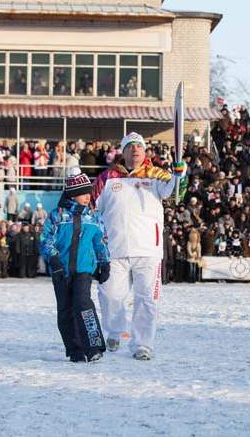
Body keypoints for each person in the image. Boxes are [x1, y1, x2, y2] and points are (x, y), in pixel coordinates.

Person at [91, 132, 186, 361]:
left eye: (139, 147)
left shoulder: (157, 175)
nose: (135, 150)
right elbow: (93, 209)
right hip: (114, 249)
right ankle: (114, 331)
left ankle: (142, 344)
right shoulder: (106, 178)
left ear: (145, 152)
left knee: (147, 299)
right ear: (122, 152)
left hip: (148, 250)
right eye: (130, 146)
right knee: (110, 295)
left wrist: (180, 175)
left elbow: (176, 193)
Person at [41, 173, 110, 362]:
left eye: (89, 193)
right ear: (72, 195)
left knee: (83, 303)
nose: (88, 196)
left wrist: (104, 263)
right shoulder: (57, 216)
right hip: (61, 271)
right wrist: (53, 260)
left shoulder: (93, 217)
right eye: (83, 193)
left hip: (83, 270)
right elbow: (46, 240)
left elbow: (100, 242)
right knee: (65, 310)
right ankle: (75, 350)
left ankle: (94, 346)